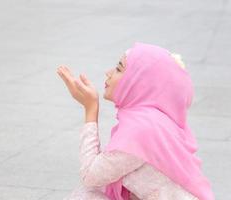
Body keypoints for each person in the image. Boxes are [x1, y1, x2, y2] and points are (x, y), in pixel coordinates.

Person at [56, 42, 215, 200]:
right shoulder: (153, 121)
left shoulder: (142, 129)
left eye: (119, 69)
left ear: (140, 81)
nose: (109, 73)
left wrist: (90, 109)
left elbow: (90, 176)